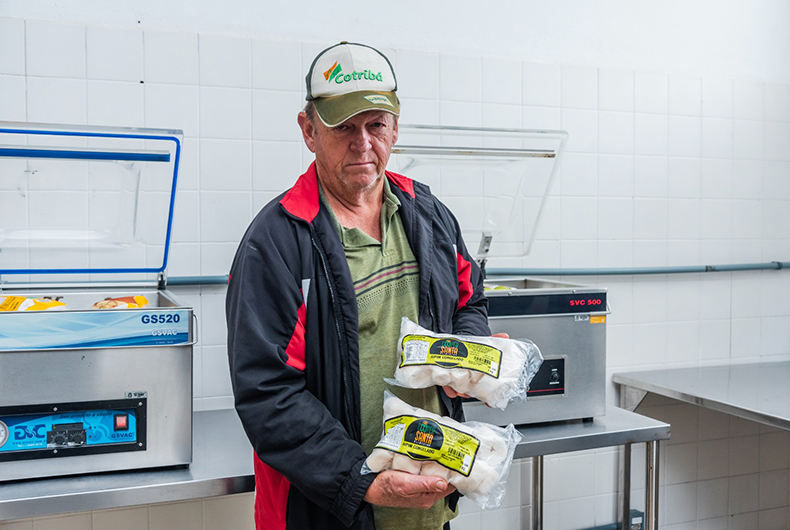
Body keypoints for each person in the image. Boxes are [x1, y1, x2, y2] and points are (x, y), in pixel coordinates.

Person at [226, 41, 490, 530]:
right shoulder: (277, 242)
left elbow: (469, 298)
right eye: (343, 127)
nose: (363, 143)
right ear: (309, 131)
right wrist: (361, 480)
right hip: (328, 511)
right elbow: (268, 394)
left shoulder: (428, 215)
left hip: (427, 505)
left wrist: (469, 358)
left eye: (376, 125)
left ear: (395, 127)